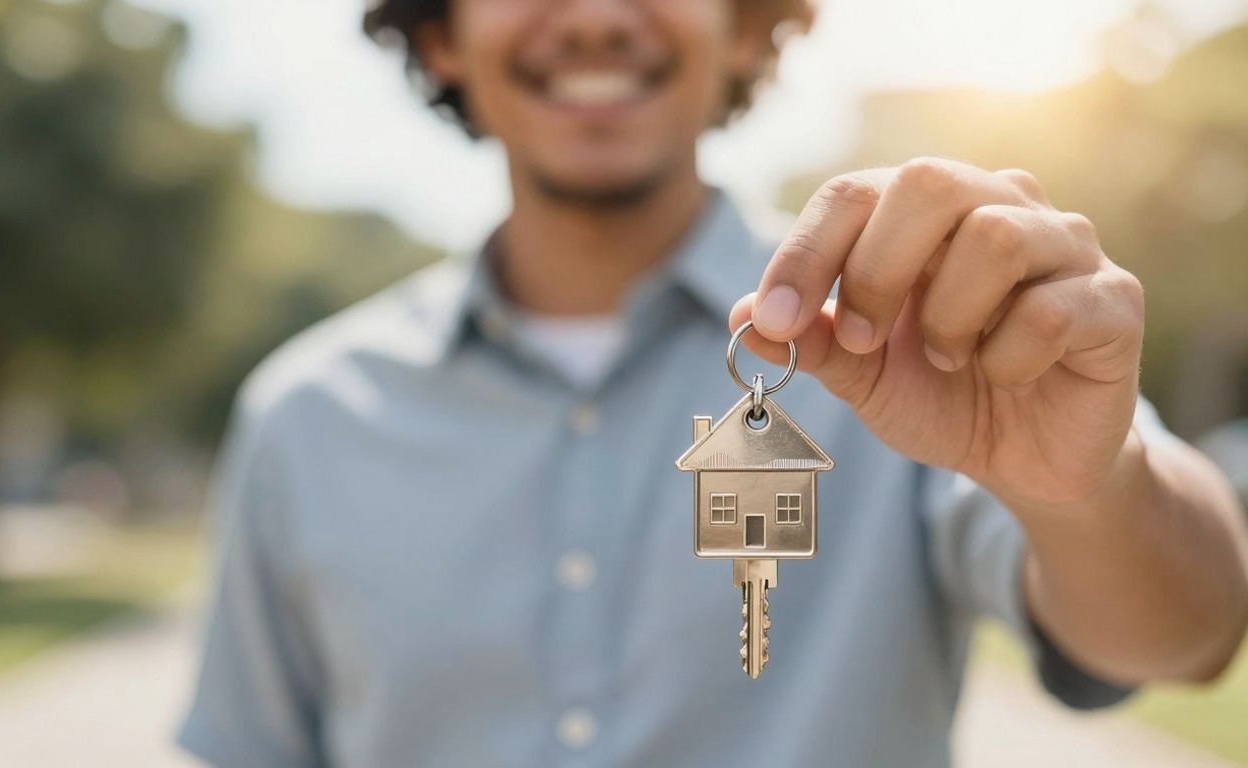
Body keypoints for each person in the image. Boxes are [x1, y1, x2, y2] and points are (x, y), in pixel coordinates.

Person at [178, 1, 1248, 765]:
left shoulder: (916, 336)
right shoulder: (306, 413)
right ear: (441, 32)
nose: (593, 13)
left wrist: (1091, 484)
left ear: (745, 24)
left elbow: (1190, 637)